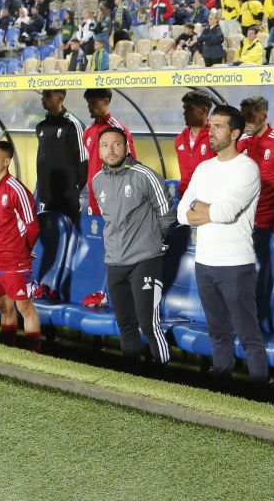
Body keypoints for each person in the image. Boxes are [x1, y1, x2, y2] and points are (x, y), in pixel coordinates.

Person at [177, 106, 268, 391]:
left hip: (235, 264)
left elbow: (227, 212)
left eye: (217, 126)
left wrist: (199, 208)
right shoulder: (204, 168)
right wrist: (207, 210)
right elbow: (181, 213)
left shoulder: (247, 168)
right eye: (210, 125)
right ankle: (223, 391)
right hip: (204, 262)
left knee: (248, 334)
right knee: (218, 332)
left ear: (235, 133)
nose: (210, 131)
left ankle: (260, 394)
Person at [93, 127, 175, 371]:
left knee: (148, 323)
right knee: (125, 323)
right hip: (114, 262)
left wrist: (154, 242)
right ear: (99, 151)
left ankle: (165, 380)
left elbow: (167, 215)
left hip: (145, 259)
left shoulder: (144, 175)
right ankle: (133, 376)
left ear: (126, 147)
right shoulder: (97, 181)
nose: (110, 149)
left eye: (116, 144)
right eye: (105, 145)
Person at [0, 142, 42, 351]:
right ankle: (9, 352)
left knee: (24, 307)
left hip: (15, 261)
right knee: (3, 307)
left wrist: (23, 250)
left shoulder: (17, 190)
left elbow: (32, 227)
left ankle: (35, 355)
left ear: (6, 162)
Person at [238, 96, 274, 241]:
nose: (245, 122)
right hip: (247, 217)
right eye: (243, 116)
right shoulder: (240, 143)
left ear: (264, 116)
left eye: (250, 116)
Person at [35, 89, 88, 222]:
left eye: (47, 95)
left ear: (61, 97)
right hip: (45, 197)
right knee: (50, 237)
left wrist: (73, 189)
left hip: (67, 198)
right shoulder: (41, 126)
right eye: (43, 95)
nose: (43, 98)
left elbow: (83, 159)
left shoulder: (73, 124)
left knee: (70, 238)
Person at [83, 89, 137, 215]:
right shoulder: (87, 131)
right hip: (93, 197)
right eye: (88, 103)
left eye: (93, 102)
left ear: (106, 101)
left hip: (115, 198)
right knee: (94, 234)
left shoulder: (118, 130)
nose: (89, 106)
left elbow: (131, 166)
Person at [175, 91, 216, 199]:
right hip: (184, 199)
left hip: (208, 200)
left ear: (204, 110)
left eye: (189, 109)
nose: (184, 112)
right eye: (184, 108)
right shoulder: (180, 139)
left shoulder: (216, 137)